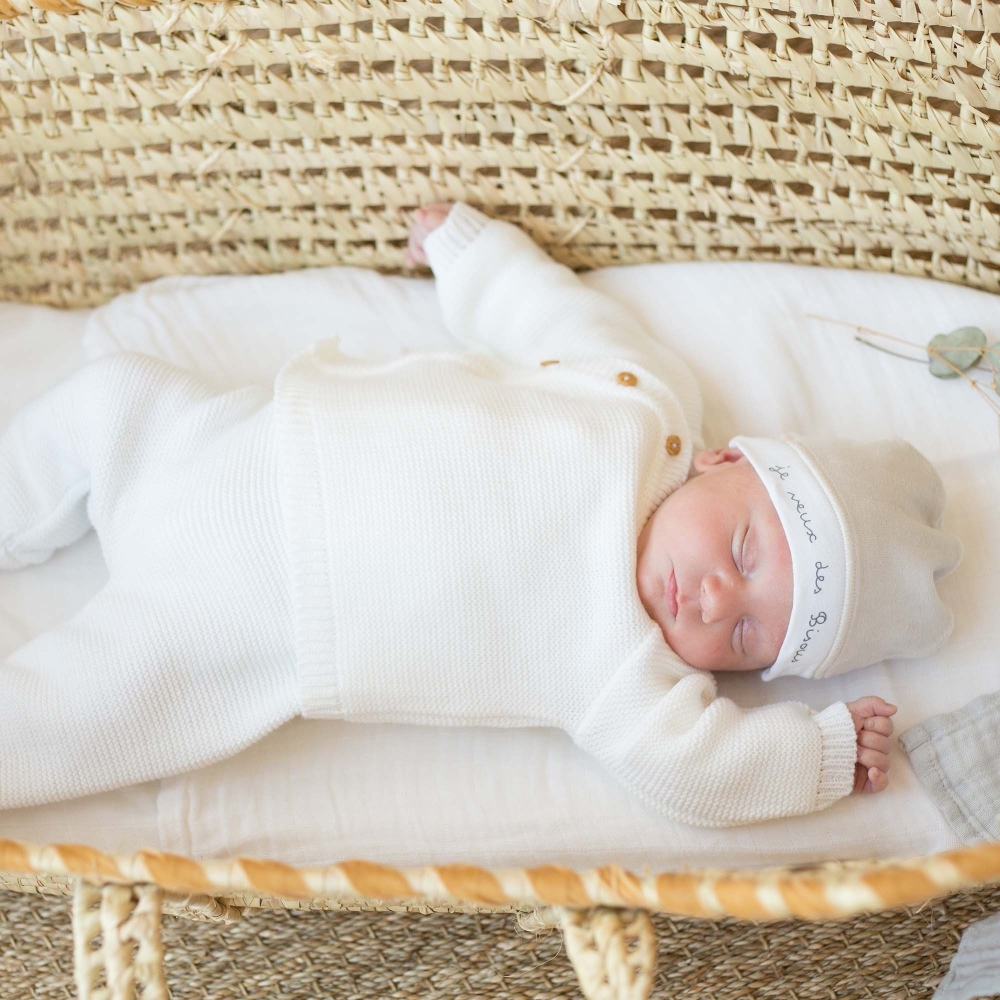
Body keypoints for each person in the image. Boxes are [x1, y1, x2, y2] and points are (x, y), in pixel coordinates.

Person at [0, 203, 962, 824]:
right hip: (245, 448)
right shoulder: (644, 404)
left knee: (70, 720)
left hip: (255, 628)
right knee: (108, 393)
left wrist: (822, 750)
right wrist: (473, 255)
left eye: (750, 635)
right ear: (722, 459)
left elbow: (701, 775)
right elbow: (554, 317)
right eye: (743, 548)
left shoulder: (629, 674)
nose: (712, 600)